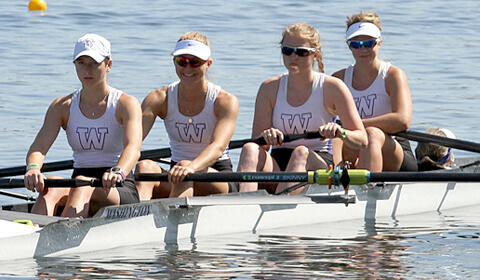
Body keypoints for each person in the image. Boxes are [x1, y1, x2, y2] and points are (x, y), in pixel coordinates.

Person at [236, 23, 368, 195]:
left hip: (317, 163)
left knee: (300, 152)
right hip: (278, 164)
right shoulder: (269, 88)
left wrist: (340, 132)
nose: (293, 57)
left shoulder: (332, 87)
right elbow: (260, 146)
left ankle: (280, 207)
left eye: (301, 52)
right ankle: (242, 203)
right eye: (287, 50)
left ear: (315, 54)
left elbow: (362, 140)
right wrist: (266, 137)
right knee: (249, 148)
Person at [24, 34, 142, 217]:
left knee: (82, 184)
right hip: (80, 182)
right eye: (81, 62)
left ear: (108, 65)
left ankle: (63, 238)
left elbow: (133, 149)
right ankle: (31, 235)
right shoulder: (62, 107)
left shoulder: (125, 104)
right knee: (53, 184)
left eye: (94, 63)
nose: (87, 70)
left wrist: (118, 171)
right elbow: (39, 148)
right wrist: (33, 168)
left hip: (118, 186)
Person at [135, 31, 239, 199]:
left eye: (195, 62)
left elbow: (217, 147)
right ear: (174, 62)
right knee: (144, 166)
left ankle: (174, 218)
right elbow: (132, 142)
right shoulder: (158, 98)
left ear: (208, 64)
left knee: (184, 167)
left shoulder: (225, 101)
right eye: (182, 62)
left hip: (217, 177)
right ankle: (135, 217)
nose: (188, 68)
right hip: (177, 174)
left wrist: (191, 167)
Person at [332, 12, 417, 172]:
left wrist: (356, 127)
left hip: (395, 150)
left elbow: (402, 120)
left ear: (379, 43)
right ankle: (335, 177)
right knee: (336, 137)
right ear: (349, 45)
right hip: (355, 148)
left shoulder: (392, 75)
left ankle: (366, 190)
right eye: (355, 44)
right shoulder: (339, 79)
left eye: (369, 43)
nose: (362, 49)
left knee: (371, 134)